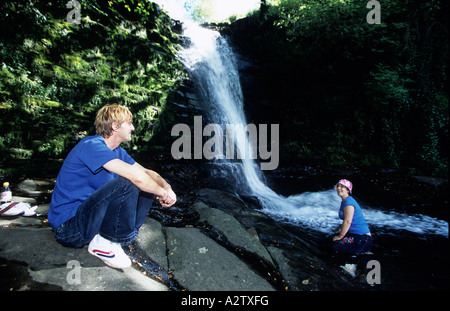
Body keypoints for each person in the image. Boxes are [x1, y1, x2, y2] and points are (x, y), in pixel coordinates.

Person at [48, 104, 177, 269]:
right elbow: (135, 177)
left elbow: (145, 171)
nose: (133, 127)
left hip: (91, 220)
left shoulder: (118, 151)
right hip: (69, 228)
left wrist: (166, 187)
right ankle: (107, 242)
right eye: (129, 123)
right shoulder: (92, 145)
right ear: (115, 126)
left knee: (145, 183)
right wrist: (161, 193)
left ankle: (118, 237)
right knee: (128, 180)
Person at [332, 179, 373, 254]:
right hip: (354, 235)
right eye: (338, 186)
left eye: (342, 186)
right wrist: (340, 230)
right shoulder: (344, 201)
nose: (338, 188)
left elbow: (348, 221)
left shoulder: (349, 202)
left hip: (363, 238)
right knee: (331, 239)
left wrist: (340, 236)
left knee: (336, 246)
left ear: (348, 190)